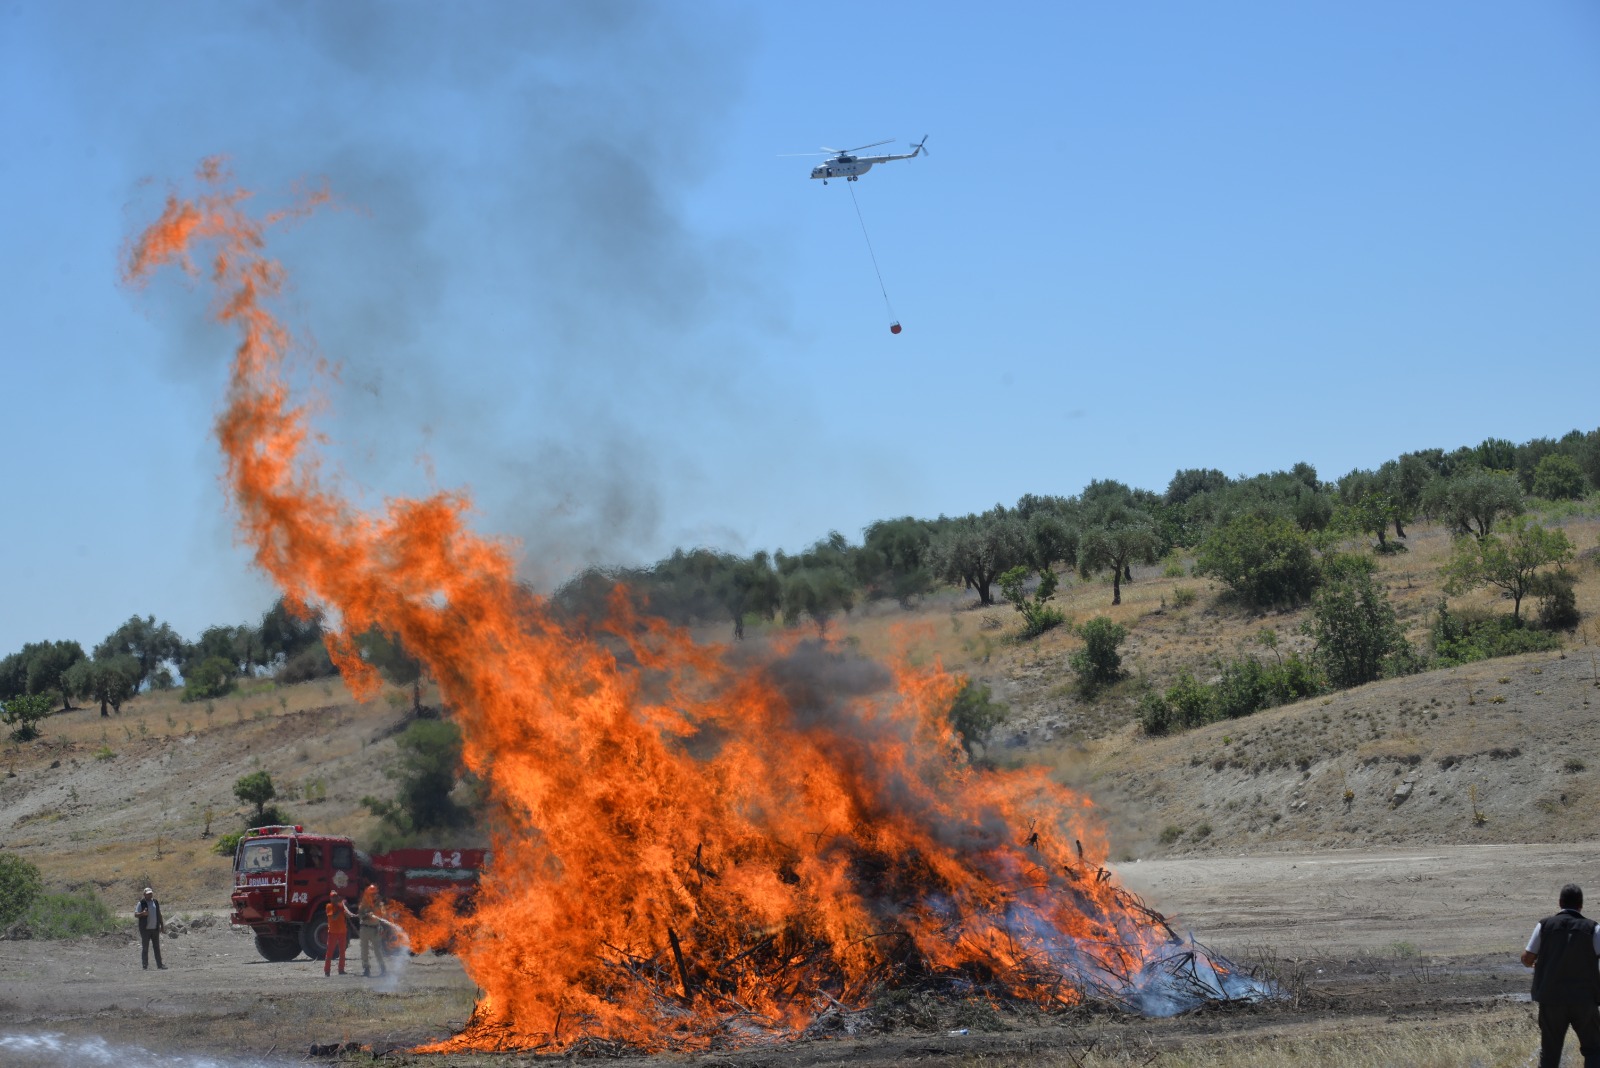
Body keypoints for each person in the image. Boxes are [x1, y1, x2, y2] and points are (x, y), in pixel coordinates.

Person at [1521, 883, 1600, 1067]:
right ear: (1581, 905)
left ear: (1559, 903)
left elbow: (1527, 958)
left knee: (1550, 1054)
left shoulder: (1544, 925)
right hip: (1584, 1000)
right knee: (1594, 1049)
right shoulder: (1593, 929)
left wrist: (1536, 964)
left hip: (1551, 1000)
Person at [357, 884, 388, 978]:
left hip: (375, 929)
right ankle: (366, 968)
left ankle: (383, 968)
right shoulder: (364, 902)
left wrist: (375, 909)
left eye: (374, 894)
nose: (372, 895)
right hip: (365, 928)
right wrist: (366, 914)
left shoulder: (380, 904)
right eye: (371, 894)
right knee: (364, 950)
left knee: (377, 950)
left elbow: (383, 915)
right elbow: (360, 914)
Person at [323, 891, 356, 977]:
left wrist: (350, 913)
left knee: (342, 952)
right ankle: (327, 971)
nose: (335, 898)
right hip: (333, 932)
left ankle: (341, 970)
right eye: (333, 897)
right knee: (329, 952)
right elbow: (333, 917)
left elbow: (348, 916)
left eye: (336, 896)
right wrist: (340, 909)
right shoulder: (329, 906)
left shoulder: (341, 906)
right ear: (330, 898)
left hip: (342, 932)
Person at [134, 887, 166, 970]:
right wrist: (142, 913)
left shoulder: (155, 902)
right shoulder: (141, 903)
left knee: (156, 947)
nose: (150, 895)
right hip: (145, 929)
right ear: (144, 894)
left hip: (155, 928)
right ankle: (145, 965)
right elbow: (136, 914)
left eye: (150, 893)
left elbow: (159, 914)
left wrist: (161, 925)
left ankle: (160, 965)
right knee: (145, 947)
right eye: (148, 893)